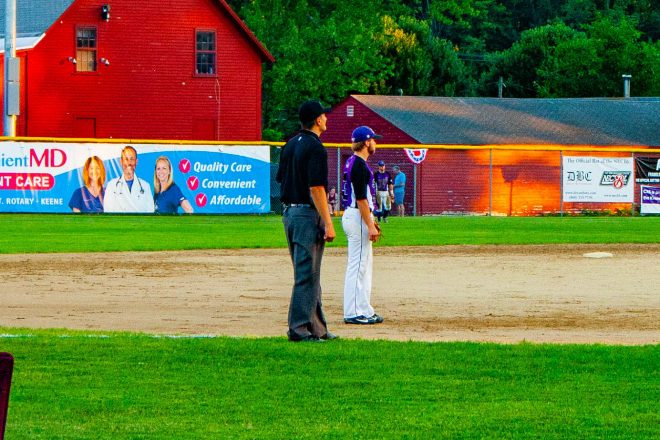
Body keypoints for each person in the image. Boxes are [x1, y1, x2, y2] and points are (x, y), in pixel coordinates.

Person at [276, 99, 337, 342]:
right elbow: (316, 188)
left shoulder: (290, 145)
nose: (326, 118)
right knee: (307, 274)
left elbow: (282, 179)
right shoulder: (315, 147)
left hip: (290, 214)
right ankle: (299, 329)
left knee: (310, 273)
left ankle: (317, 328)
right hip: (305, 215)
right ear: (318, 119)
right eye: (324, 115)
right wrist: (328, 221)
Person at [341, 126, 384, 325]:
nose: (375, 142)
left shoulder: (353, 162)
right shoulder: (358, 164)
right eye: (373, 139)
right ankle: (352, 312)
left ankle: (365, 309)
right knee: (357, 266)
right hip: (357, 216)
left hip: (359, 216)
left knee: (364, 266)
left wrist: (371, 221)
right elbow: (361, 199)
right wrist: (370, 224)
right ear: (366, 142)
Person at [104, 146, 155, 213]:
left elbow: (150, 211)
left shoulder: (145, 186)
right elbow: (108, 212)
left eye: (132, 159)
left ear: (136, 162)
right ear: (121, 162)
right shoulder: (112, 186)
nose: (129, 163)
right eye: (126, 159)